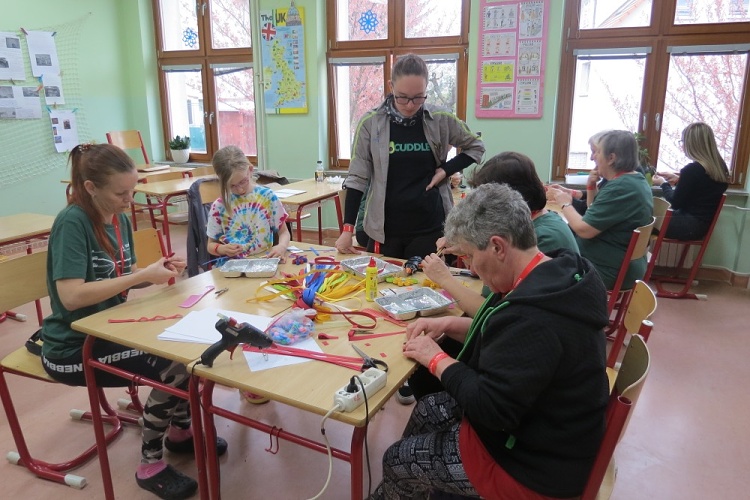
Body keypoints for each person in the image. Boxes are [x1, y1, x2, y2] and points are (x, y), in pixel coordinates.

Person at [371, 184, 609, 499]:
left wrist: (437, 359)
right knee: (429, 409)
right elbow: (510, 343)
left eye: (470, 256)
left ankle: (404, 487)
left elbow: (491, 409)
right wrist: (448, 323)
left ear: (498, 247)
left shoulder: (532, 317)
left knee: (397, 461)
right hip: (546, 428)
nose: (470, 267)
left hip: (534, 465)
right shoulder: (557, 272)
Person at [40, 143, 224, 499]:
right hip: (71, 346)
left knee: (189, 350)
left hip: (109, 328)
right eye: (121, 193)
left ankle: (180, 432)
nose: (129, 200)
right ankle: (149, 464)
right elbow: (71, 296)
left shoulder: (120, 218)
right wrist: (138, 277)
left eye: (133, 190)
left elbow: (121, 276)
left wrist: (153, 272)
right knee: (174, 366)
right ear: (91, 188)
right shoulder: (73, 222)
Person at [335, 53, 484, 260]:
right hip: (384, 231)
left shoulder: (441, 119)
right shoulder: (370, 123)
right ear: (391, 87)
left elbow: (476, 147)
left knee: (428, 278)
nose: (410, 105)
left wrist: (445, 170)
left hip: (431, 227)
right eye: (402, 97)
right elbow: (357, 179)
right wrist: (347, 230)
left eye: (418, 97)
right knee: (383, 279)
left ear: (426, 89)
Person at [422, 151, 579, 318]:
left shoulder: (541, 237)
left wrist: (445, 279)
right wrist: (469, 248)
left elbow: (493, 313)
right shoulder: (539, 222)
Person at [547, 130, 653, 290]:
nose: (593, 158)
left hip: (607, 270)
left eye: (597, 152)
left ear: (611, 158)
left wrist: (565, 204)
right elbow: (593, 212)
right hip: (616, 263)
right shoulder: (634, 180)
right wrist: (591, 187)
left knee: (542, 261)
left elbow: (584, 230)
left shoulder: (620, 188)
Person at [206, 145, 290, 264]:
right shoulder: (219, 206)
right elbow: (210, 245)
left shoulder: (267, 197)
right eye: (232, 186)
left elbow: (284, 232)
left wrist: (281, 247)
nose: (240, 189)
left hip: (262, 261)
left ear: (250, 170)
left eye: (243, 182)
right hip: (232, 266)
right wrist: (221, 249)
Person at [652, 122, 728, 240]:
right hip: (700, 228)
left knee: (642, 218)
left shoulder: (691, 170)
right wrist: (679, 180)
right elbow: (702, 190)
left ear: (691, 144)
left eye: (682, 141)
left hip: (686, 226)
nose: (682, 145)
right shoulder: (721, 168)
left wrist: (663, 184)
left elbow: (675, 203)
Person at [547, 130, 610, 215]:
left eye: (595, 152)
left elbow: (587, 211)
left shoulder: (614, 187)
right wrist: (571, 193)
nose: (591, 158)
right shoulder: (607, 181)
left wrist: (564, 199)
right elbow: (593, 200)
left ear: (611, 157)